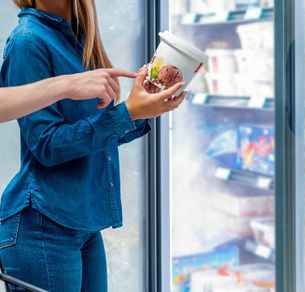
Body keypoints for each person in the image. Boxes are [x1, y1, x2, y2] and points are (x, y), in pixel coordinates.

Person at [0, 0, 187, 291]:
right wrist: (127, 114)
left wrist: (140, 111)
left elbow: (91, 139)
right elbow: (48, 146)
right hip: (42, 224)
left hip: (82, 223)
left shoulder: (80, 41)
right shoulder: (28, 41)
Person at [0, 68, 137, 123]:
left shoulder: (80, 37)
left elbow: (99, 145)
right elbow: (48, 146)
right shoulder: (27, 40)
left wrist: (136, 113)